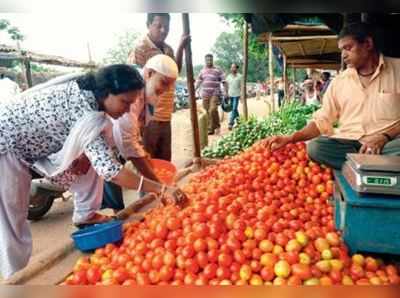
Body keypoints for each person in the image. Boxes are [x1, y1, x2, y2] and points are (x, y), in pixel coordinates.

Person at [0, 64, 186, 279]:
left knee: (93, 156)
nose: (127, 109)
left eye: (131, 103)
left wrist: (81, 155)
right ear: (106, 93)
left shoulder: (90, 93)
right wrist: (161, 189)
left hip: (24, 143)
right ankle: (14, 278)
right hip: (6, 145)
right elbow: (111, 171)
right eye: (124, 102)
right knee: (11, 222)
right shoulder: (86, 112)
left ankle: (85, 215)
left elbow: (74, 132)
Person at [261, 22, 400, 170]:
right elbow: (322, 120)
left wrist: (384, 137)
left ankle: (359, 165)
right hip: (350, 145)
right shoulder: (339, 82)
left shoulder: (397, 70)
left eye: (348, 48)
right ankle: (370, 164)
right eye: (341, 50)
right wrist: (291, 138)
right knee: (316, 148)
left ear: (367, 44)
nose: (343, 55)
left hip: (388, 143)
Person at [127, 13, 189, 162]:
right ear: (148, 25)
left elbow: (174, 72)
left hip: (166, 113)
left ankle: (161, 185)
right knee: (148, 160)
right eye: (158, 26)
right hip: (149, 117)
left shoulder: (168, 49)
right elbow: (132, 83)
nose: (163, 30)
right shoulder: (140, 49)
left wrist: (180, 48)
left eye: (166, 27)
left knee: (164, 160)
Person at [195, 54, 228, 135]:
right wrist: (193, 90)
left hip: (215, 93)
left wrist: (226, 92)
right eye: (207, 60)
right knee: (206, 112)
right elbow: (198, 82)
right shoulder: (202, 71)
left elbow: (224, 81)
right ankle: (211, 129)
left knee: (212, 110)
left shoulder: (218, 70)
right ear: (205, 61)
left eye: (210, 60)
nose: (209, 61)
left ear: (212, 60)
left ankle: (216, 126)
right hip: (205, 94)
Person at [225, 63, 242, 130]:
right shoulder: (228, 77)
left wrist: (242, 95)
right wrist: (226, 93)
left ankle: (230, 123)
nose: (233, 69)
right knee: (234, 109)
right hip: (230, 95)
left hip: (237, 95)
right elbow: (226, 85)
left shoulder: (240, 76)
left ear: (237, 68)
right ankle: (239, 121)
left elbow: (242, 86)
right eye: (232, 67)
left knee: (234, 108)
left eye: (234, 67)